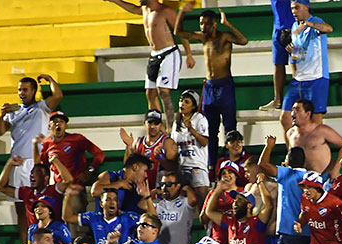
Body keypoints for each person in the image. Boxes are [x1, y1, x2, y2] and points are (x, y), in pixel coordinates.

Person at [175, 6, 248, 168]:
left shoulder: (225, 37)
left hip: (225, 85)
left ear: (214, 24)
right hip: (209, 87)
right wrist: (181, 12)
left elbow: (243, 40)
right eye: (201, 24)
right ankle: (211, 165)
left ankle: (232, 163)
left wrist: (227, 23)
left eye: (207, 24)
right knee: (210, 129)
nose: (203, 27)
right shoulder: (203, 38)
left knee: (230, 127)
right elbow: (178, 32)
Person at [104, 0, 194, 128]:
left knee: (163, 91)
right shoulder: (145, 10)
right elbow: (132, 8)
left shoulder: (166, 11)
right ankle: (158, 126)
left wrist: (189, 54)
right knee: (150, 93)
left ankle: (171, 127)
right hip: (154, 54)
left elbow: (181, 32)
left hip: (169, 53)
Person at [0, 76, 64, 190]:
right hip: (17, 161)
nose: (21, 93)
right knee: (18, 200)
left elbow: (58, 95)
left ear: (33, 91)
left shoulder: (42, 107)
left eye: (25, 90)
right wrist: (1, 115)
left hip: (35, 161)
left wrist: (50, 79)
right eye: (19, 90)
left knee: (36, 199)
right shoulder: (14, 111)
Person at [279, 0, 333, 134]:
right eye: (292, 8)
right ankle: (293, 152)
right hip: (299, 78)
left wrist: (307, 24)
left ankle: (317, 152)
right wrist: (293, 53)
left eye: (297, 8)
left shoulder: (315, 22)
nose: (293, 11)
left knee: (315, 120)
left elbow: (329, 29)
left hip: (317, 77)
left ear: (306, 7)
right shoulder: (293, 27)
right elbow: (301, 55)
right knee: (286, 118)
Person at [285, 99, 342, 178]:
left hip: (325, 178)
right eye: (293, 109)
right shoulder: (290, 134)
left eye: (297, 110)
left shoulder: (322, 130)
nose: (292, 113)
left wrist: (336, 169)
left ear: (307, 114)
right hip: (304, 182)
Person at [38, 111, 105, 185]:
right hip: (59, 187)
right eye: (55, 121)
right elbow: (43, 164)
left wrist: (89, 171)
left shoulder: (77, 139)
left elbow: (99, 154)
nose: (58, 123)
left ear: (66, 126)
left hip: (77, 186)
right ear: (49, 126)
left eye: (62, 121)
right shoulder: (46, 143)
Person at [121, 110, 178, 191]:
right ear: (144, 123)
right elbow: (128, 168)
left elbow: (175, 169)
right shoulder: (138, 143)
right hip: (140, 192)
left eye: (156, 123)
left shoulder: (167, 142)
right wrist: (128, 146)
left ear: (161, 125)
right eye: (150, 123)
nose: (152, 126)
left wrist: (161, 158)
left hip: (160, 194)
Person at [171, 90, 209, 198]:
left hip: (196, 166)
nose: (182, 104)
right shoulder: (177, 122)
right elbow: (173, 144)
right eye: (181, 101)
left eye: (186, 102)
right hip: (181, 166)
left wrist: (191, 129)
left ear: (193, 106)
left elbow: (204, 142)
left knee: (202, 196)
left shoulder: (200, 119)